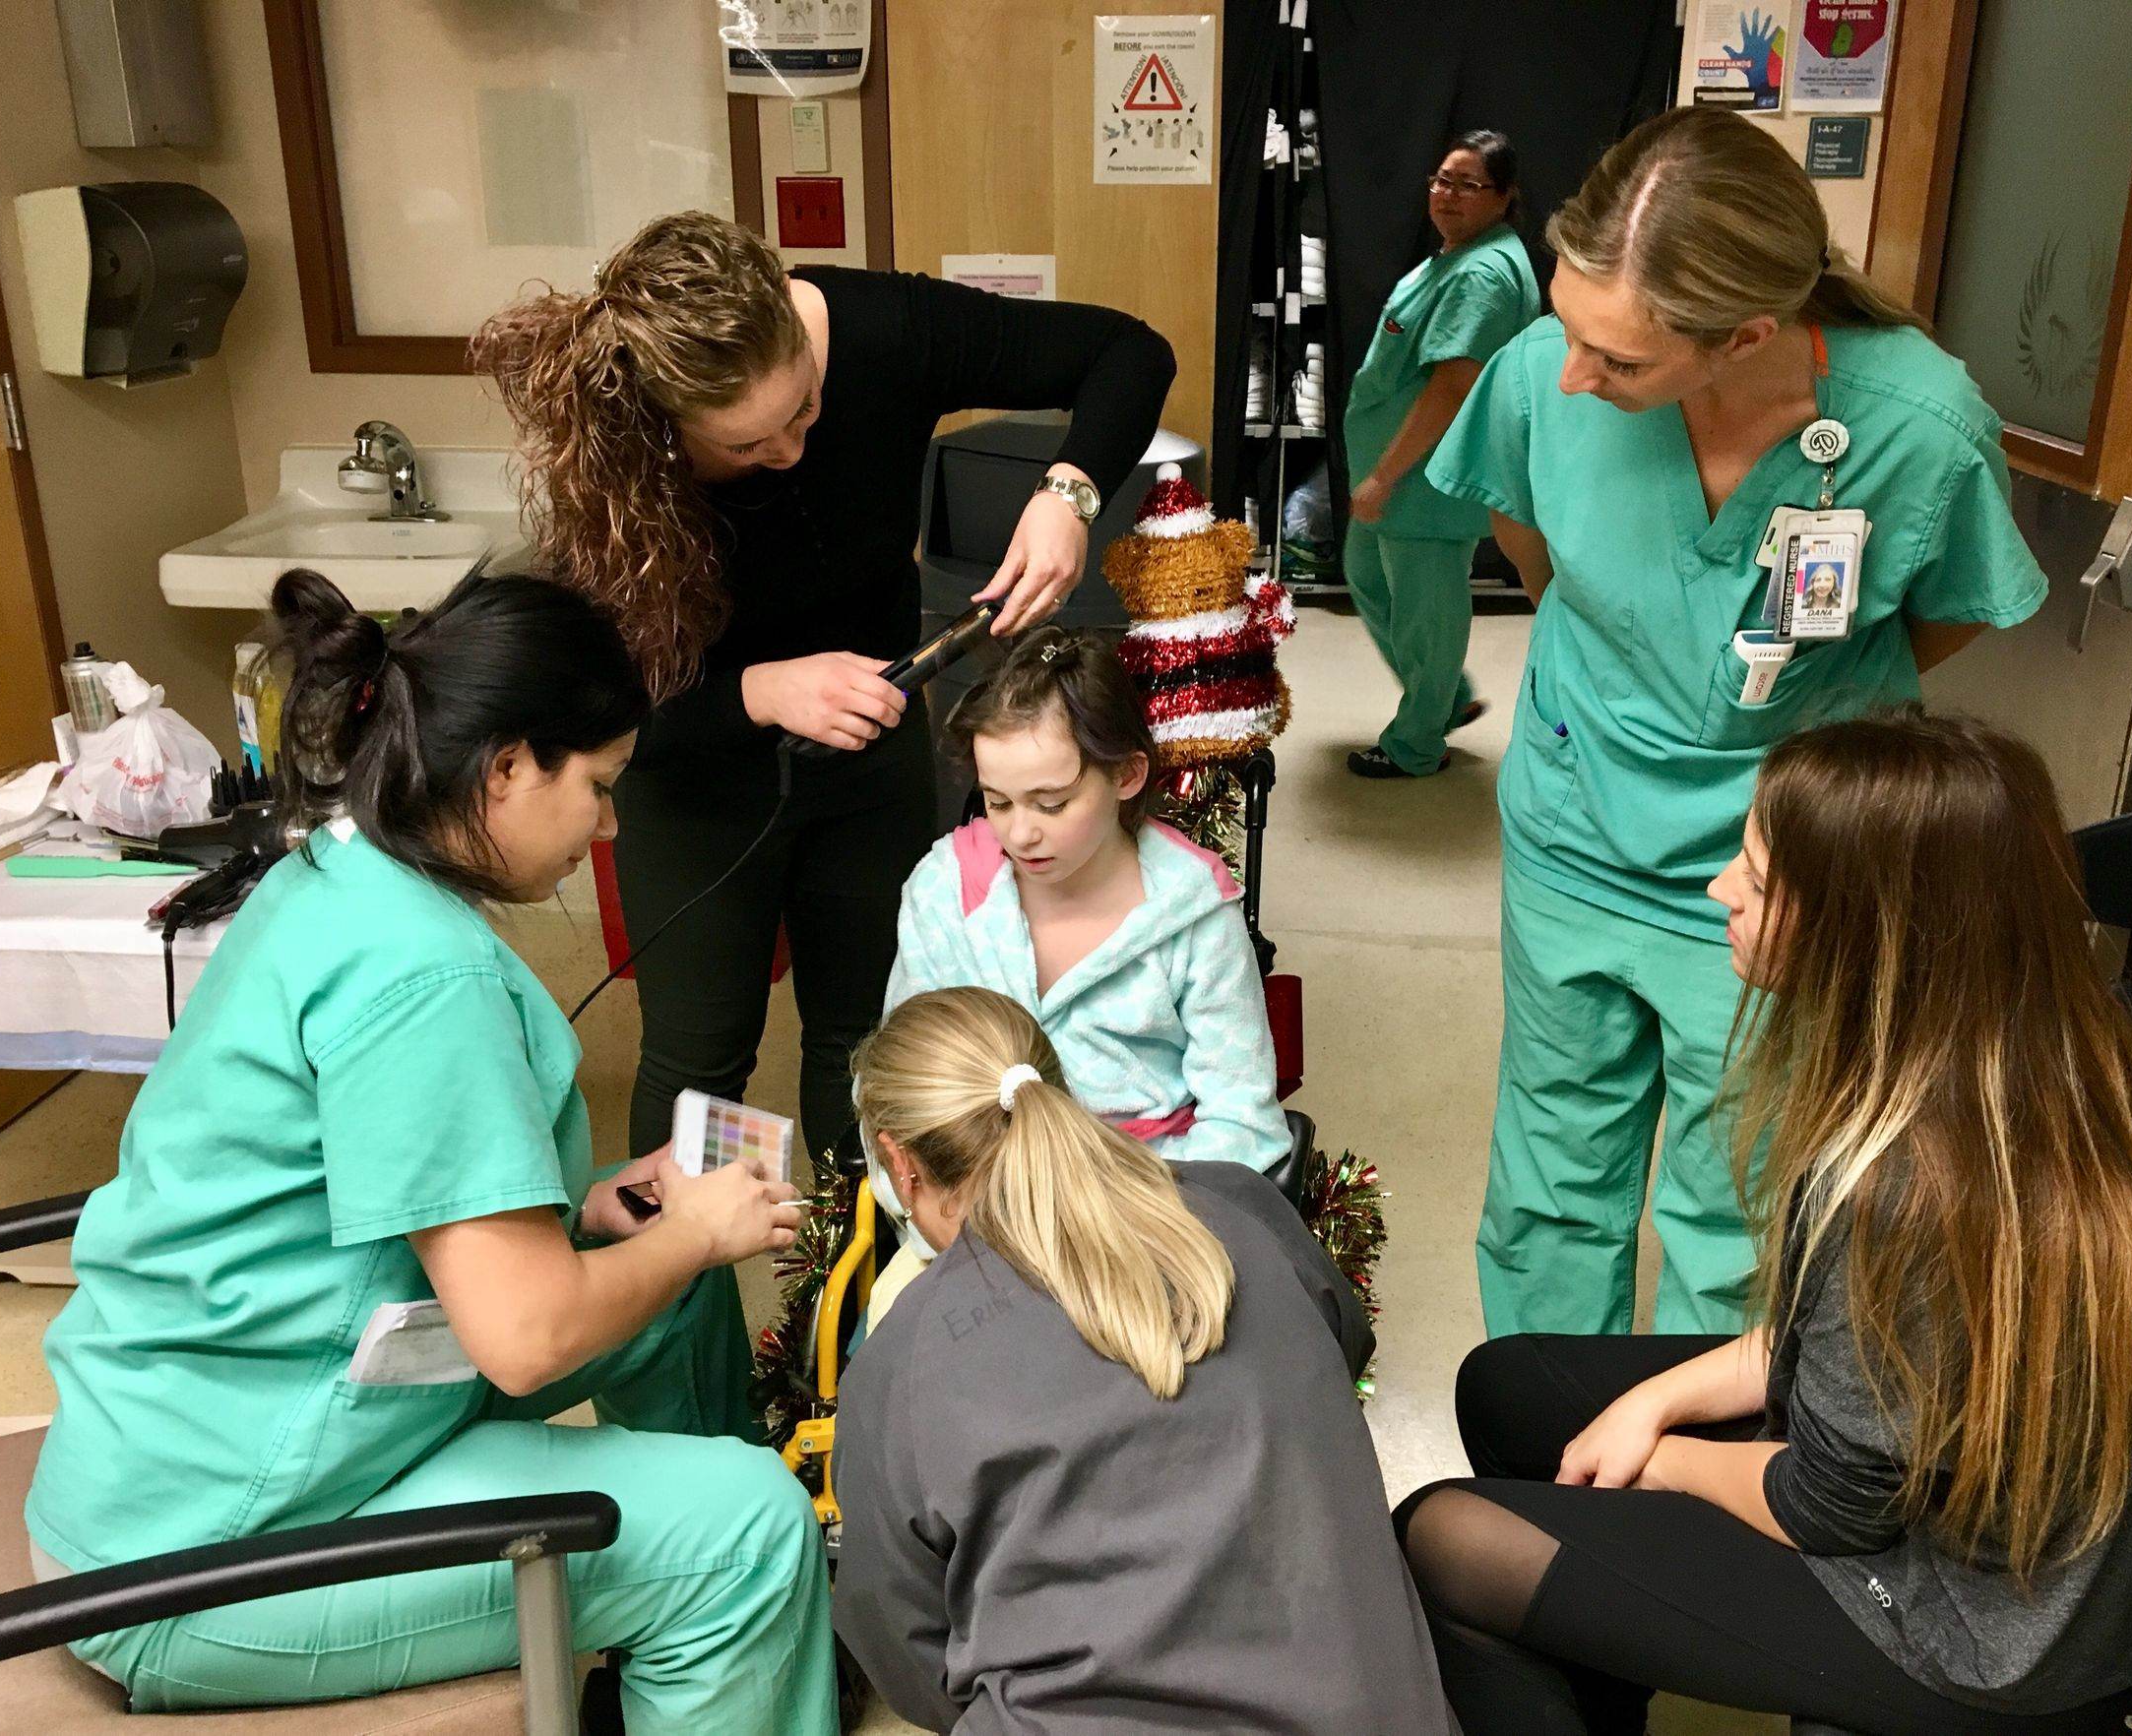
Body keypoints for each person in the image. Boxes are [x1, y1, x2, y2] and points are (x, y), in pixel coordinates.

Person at [24, 569, 835, 1734]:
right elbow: (526, 1335)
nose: (608, 826)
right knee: (746, 1524)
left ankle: (710, 1644)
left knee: (668, 1294)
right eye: (598, 787)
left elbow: (380, 1197)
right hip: (200, 1557)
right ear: (507, 767)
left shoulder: (338, 871)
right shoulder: (423, 975)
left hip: (229, 1425)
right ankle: (730, 1587)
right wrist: (702, 1226)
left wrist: (592, 1213)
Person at [473, 214, 1174, 1432]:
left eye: (806, 409)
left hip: (869, 747)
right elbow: (593, 697)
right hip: (691, 767)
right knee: (698, 1065)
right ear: (668, 427)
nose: (799, 449)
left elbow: (1129, 353)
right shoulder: (616, 455)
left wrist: (1068, 495)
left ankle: (860, 1361)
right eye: (750, 443)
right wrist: (754, 688)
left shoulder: (881, 329)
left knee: (873, 1047)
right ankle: (679, 1410)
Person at [1395, 712, 2132, 1734]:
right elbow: (1850, 1351)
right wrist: (1650, 1401)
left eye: (1755, 874)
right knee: (1510, 1384)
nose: (1719, 891)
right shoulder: (2054, 1064)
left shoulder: (1902, 1176)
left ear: (1862, 926)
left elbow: (1833, 1505)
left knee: (1445, 1538)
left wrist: (1656, 1460)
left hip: (1984, 1635)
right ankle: (1602, 1663)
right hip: (2005, 1529)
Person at [1426, 105, 2049, 1335]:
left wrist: (1800, 717)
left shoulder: (1917, 428)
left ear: (1747, 335)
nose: (1572, 376)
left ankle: (1694, 1484)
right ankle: (1548, 1458)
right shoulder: (1544, 379)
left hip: (1779, 864)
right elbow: (1526, 532)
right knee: (1553, 1174)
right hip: (1576, 811)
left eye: (1619, 361)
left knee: (1739, 1200)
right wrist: (1622, 659)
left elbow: (1950, 611)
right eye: (1569, 326)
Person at [834, 987, 1456, 1734]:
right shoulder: (1242, 1205)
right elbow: (1341, 1347)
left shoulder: (902, 1357)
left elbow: (901, 1642)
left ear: (901, 1165)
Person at [859, 626, 1289, 1320]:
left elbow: (1245, 1117)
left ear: (1126, 775)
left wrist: (1123, 1225)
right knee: (896, 1345)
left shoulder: (1193, 911)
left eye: (1051, 803)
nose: (1020, 832)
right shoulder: (944, 892)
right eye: (997, 801)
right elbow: (893, 1084)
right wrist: (951, 1211)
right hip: (973, 1218)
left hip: (1148, 1218)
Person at [1343, 129, 1540, 778]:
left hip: (1420, 479)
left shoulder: (1482, 273)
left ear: (1505, 198)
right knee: (1368, 577)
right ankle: (1447, 698)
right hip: (1399, 477)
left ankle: (1418, 743)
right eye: (1441, 179)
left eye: (1467, 184)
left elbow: (1454, 384)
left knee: (1427, 612)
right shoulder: (1456, 256)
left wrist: (1383, 474)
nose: (1447, 194)